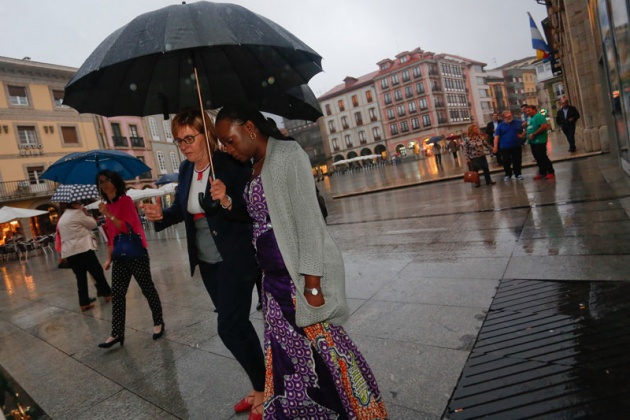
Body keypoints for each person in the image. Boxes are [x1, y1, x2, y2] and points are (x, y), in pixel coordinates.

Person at [214, 104, 388, 420]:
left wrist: (312, 285)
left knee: (324, 352)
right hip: (272, 282)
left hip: (297, 280)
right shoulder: (256, 164)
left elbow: (308, 221)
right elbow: (259, 218)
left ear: (250, 128)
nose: (226, 148)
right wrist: (227, 200)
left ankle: (359, 411)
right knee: (288, 359)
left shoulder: (288, 156)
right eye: (223, 143)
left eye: (229, 139)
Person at [140, 108, 265, 419]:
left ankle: (264, 389)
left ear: (206, 134)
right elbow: (184, 209)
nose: (183, 146)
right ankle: (261, 384)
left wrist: (227, 198)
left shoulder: (230, 163)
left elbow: (251, 207)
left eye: (189, 138)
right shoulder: (184, 170)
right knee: (239, 325)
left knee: (228, 327)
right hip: (208, 262)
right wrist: (161, 216)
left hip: (236, 256)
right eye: (178, 140)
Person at [96, 170, 164, 348]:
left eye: (108, 180)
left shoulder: (125, 201)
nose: (105, 184)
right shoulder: (106, 206)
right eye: (101, 181)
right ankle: (117, 333)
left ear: (115, 182)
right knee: (117, 294)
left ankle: (158, 322)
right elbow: (111, 236)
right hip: (119, 255)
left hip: (135, 251)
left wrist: (108, 214)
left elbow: (126, 228)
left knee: (147, 288)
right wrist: (108, 258)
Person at [56, 201, 112, 312]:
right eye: (78, 202)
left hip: (70, 253)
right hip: (83, 249)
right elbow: (93, 224)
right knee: (97, 272)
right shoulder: (77, 213)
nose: (80, 204)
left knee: (80, 278)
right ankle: (108, 294)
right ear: (73, 204)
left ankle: (84, 303)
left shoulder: (62, 217)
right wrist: (87, 214)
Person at [525, 104, 555, 180]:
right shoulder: (530, 118)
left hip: (539, 141)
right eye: (526, 111)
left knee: (542, 156)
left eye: (529, 110)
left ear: (534, 109)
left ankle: (550, 171)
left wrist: (534, 134)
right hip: (533, 142)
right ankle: (542, 172)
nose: (527, 112)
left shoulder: (539, 116)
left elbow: (544, 126)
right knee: (537, 157)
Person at [493, 110, 525, 182]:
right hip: (504, 147)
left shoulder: (518, 122)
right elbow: (496, 137)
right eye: (507, 117)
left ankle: (518, 174)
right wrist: (495, 147)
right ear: (503, 118)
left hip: (516, 145)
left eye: (510, 116)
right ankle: (508, 174)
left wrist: (522, 134)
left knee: (517, 160)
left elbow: (526, 126)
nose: (509, 117)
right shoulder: (500, 126)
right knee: (506, 161)